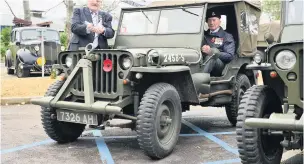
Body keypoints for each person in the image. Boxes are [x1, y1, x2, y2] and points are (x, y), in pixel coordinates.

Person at [201, 10, 235, 76]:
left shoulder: (227, 36)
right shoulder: (203, 35)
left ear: (219, 22)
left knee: (211, 58)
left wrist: (212, 52)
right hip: (202, 61)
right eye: (209, 20)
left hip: (219, 65)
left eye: (214, 20)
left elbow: (230, 56)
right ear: (207, 22)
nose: (211, 23)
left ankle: (199, 79)